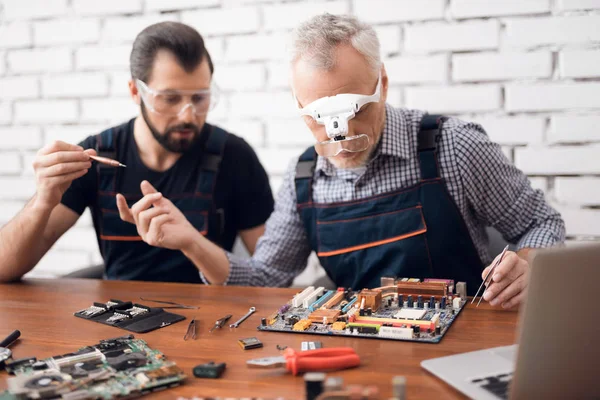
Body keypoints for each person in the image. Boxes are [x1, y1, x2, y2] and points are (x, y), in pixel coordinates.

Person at [109, 14, 565, 309]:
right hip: (363, 349)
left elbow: (541, 223)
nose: (339, 137)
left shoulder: (453, 148)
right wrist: (191, 242)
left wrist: (527, 262)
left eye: (354, 111)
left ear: (381, 83)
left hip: (467, 336)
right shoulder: (304, 177)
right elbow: (266, 279)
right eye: (319, 118)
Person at [0, 22, 274, 284]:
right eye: (170, 99)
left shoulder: (234, 157)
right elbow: (3, 268)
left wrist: (192, 241)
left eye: (199, 98)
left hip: (210, 317)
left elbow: (271, 272)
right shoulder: (95, 157)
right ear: (135, 91)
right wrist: (42, 203)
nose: (188, 116)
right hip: (119, 319)